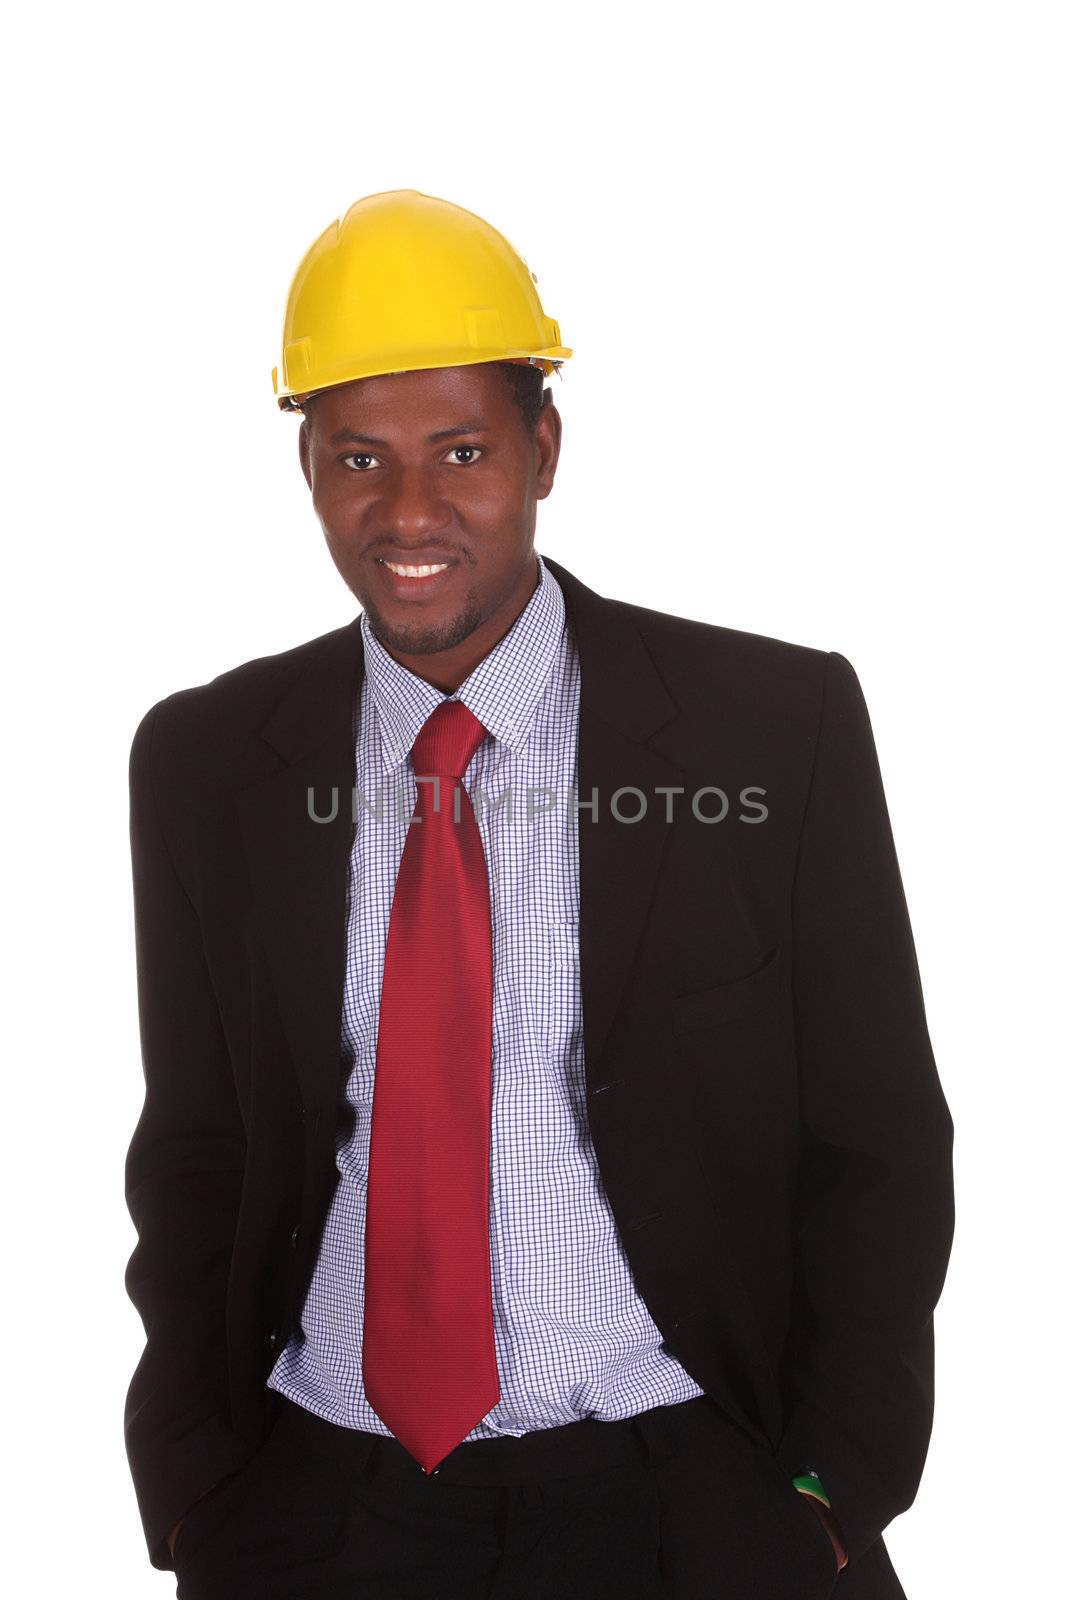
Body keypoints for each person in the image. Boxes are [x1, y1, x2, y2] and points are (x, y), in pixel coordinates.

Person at [123, 189, 955, 1599]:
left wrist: (832, 1488)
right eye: (356, 459)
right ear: (308, 472)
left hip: (690, 1484)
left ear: (545, 448)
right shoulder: (207, 760)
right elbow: (199, 1147)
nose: (410, 510)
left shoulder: (769, 728)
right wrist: (197, 1487)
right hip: (322, 1500)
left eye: (462, 451)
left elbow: (876, 1138)